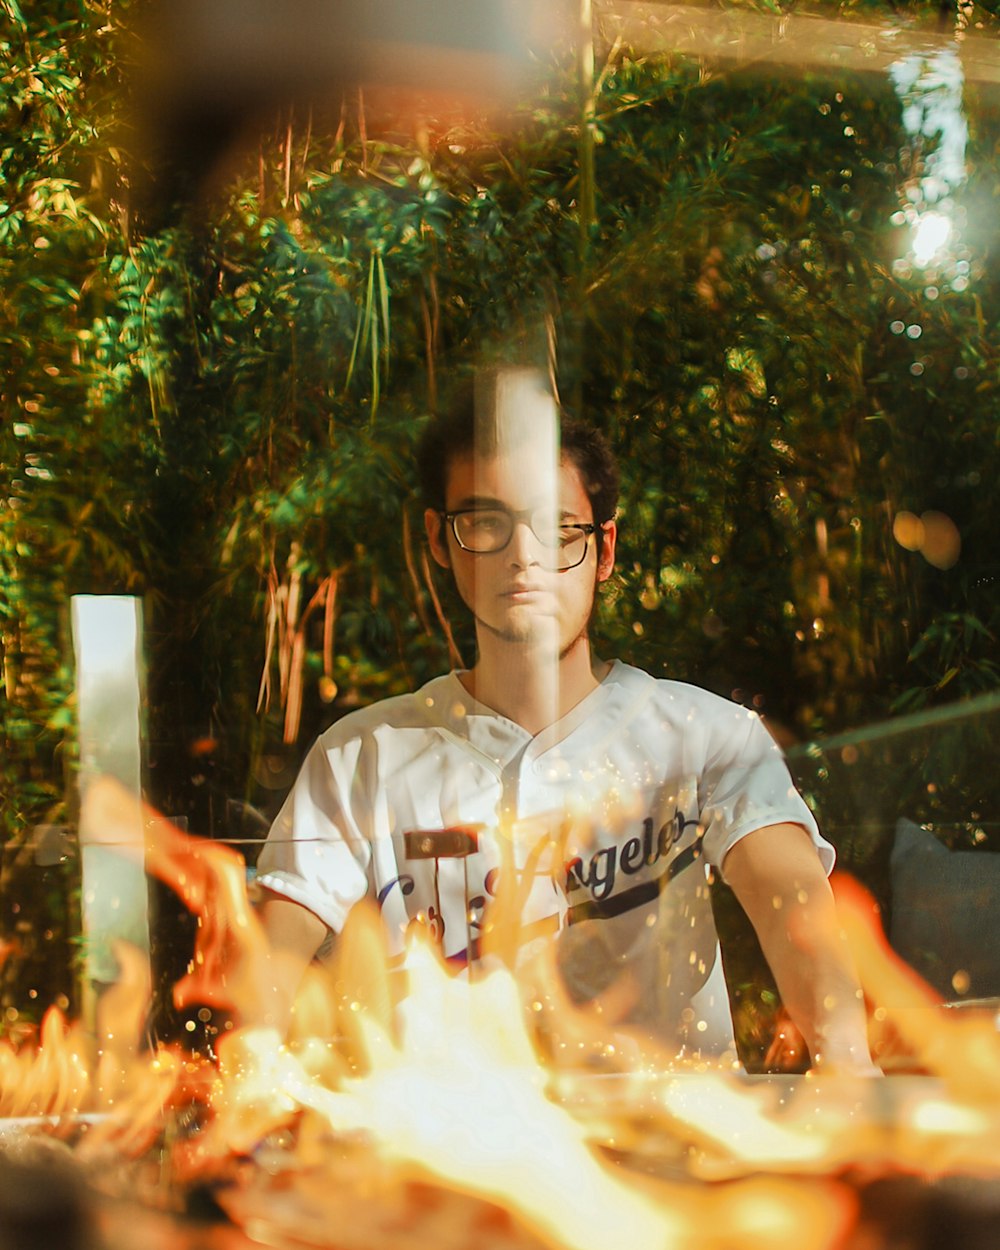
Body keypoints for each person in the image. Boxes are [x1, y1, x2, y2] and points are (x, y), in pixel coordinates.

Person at [255, 367, 875, 1071]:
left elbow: (792, 906)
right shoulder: (361, 758)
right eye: (486, 523)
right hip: (439, 1158)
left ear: (603, 549)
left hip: (681, 1156)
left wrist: (848, 1067)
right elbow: (272, 961)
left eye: (558, 527)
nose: (525, 557)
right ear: (439, 540)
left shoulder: (706, 736)